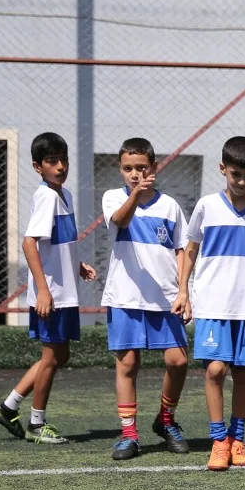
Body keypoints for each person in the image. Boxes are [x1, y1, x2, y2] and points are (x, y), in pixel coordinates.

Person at [174, 135, 245, 472]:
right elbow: (191, 248)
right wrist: (183, 290)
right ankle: (218, 441)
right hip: (212, 302)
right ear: (222, 168)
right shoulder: (207, 206)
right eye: (236, 174)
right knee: (214, 369)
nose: (241, 181)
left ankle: (238, 440)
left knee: (242, 372)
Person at [0, 131, 97, 444]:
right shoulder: (47, 196)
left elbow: (56, 244)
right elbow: (28, 243)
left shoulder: (65, 195)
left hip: (64, 292)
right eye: (52, 161)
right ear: (38, 166)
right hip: (52, 295)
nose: (60, 166)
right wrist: (44, 290)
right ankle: (37, 424)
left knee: (59, 355)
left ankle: (8, 407)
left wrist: (76, 265)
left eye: (63, 160)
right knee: (52, 357)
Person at [101, 137, 193, 460]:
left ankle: (165, 420)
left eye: (142, 167)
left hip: (165, 299)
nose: (135, 174)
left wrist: (184, 291)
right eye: (128, 168)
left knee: (178, 360)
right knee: (128, 363)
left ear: (154, 167)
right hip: (125, 297)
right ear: (121, 169)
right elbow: (120, 221)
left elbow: (182, 249)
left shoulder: (170, 206)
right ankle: (128, 435)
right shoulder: (114, 198)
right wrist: (136, 195)